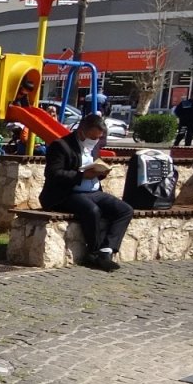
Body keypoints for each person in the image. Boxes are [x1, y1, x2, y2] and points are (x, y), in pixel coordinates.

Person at [38, 113, 132, 272]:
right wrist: (81, 176)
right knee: (91, 210)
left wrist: (101, 172)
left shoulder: (94, 146)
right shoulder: (61, 146)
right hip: (66, 194)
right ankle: (94, 252)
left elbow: (94, 165)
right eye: (92, 137)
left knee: (125, 210)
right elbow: (53, 174)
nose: (95, 141)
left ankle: (106, 250)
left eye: (98, 138)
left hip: (93, 191)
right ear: (81, 131)